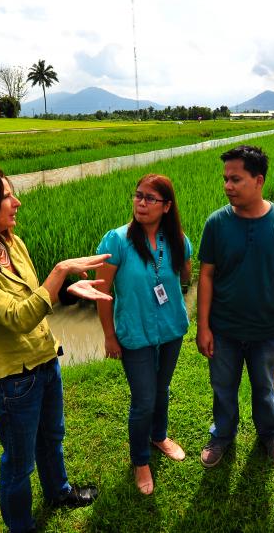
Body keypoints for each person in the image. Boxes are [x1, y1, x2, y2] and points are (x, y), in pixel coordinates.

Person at [0, 166, 111, 533]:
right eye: (6, 197)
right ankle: (21, 526)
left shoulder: (8, 242)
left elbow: (32, 294)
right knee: (19, 463)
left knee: (52, 438)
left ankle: (59, 492)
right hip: (12, 380)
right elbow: (17, 317)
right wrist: (61, 271)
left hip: (45, 359)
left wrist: (66, 291)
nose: (17, 202)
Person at [196, 145, 274, 468]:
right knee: (223, 388)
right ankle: (222, 435)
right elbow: (206, 276)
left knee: (264, 386)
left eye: (236, 179)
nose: (227, 186)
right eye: (225, 179)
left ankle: (271, 434)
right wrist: (203, 327)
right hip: (224, 328)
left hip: (266, 328)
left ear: (258, 180)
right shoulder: (216, 223)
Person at [95, 174, 192, 495]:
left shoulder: (177, 240)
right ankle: (140, 461)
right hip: (133, 332)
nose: (141, 203)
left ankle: (159, 436)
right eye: (138, 196)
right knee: (143, 399)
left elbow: (186, 277)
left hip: (170, 330)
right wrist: (109, 336)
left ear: (166, 206)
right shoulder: (116, 241)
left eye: (150, 198)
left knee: (161, 389)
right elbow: (103, 292)